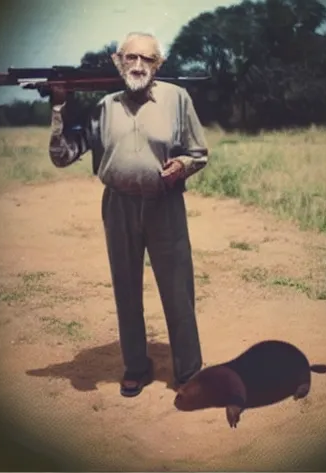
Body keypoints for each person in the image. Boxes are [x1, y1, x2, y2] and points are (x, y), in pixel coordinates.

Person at [47, 32, 209, 397]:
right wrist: (58, 107)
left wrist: (182, 164)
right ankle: (136, 366)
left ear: (158, 64)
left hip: (164, 204)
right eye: (131, 58)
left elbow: (199, 152)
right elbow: (62, 156)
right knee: (126, 287)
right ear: (118, 60)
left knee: (178, 289)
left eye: (147, 59)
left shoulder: (177, 99)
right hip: (118, 205)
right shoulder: (104, 107)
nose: (139, 65)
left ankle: (189, 371)